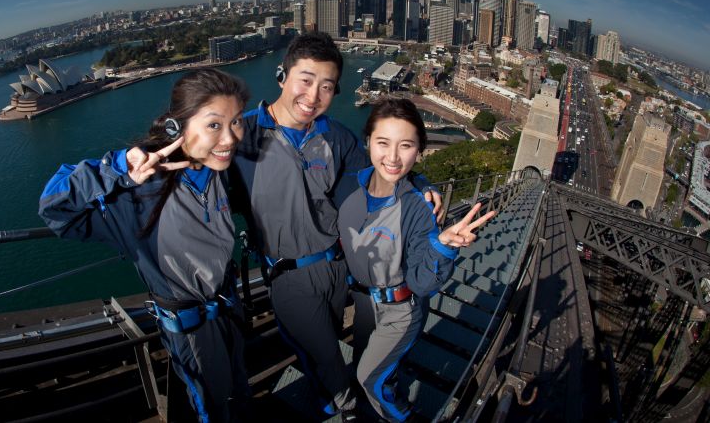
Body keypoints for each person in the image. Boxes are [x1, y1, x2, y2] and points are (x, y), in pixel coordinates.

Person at [229, 33, 442, 419]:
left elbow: (384, 172)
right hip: (289, 275)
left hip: (342, 268)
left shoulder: (335, 136)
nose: (313, 96)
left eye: (327, 86)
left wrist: (423, 185)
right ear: (282, 75)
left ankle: (366, 399)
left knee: (352, 351)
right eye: (305, 80)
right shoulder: (241, 137)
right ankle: (345, 412)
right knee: (326, 362)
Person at [39, 69, 251, 423]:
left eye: (237, 122)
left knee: (237, 388)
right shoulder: (136, 193)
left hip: (227, 310)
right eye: (214, 125)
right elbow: (54, 208)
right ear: (176, 128)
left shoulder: (214, 169)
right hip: (191, 330)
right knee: (212, 408)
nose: (230, 137)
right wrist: (118, 167)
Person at [335, 98, 495, 422]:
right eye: (383, 143)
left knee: (371, 377)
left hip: (401, 309)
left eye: (406, 145)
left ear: (419, 149)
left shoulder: (419, 207)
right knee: (376, 368)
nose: (393, 157)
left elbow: (422, 282)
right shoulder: (349, 186)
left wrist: (443, 246)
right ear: (367, 142)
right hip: (365, 302)